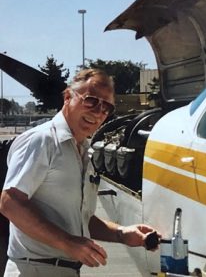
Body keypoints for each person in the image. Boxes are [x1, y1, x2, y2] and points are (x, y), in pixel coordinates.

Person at [0, 69, 160, 277]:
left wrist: (122, 233)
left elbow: (80, 219)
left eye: (107, 107)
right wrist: (68, 244)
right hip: (35, 269)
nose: (98, 112)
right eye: (91, 101)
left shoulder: (82, 151)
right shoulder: (42, 141)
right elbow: (10, 202)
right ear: (68, 97)